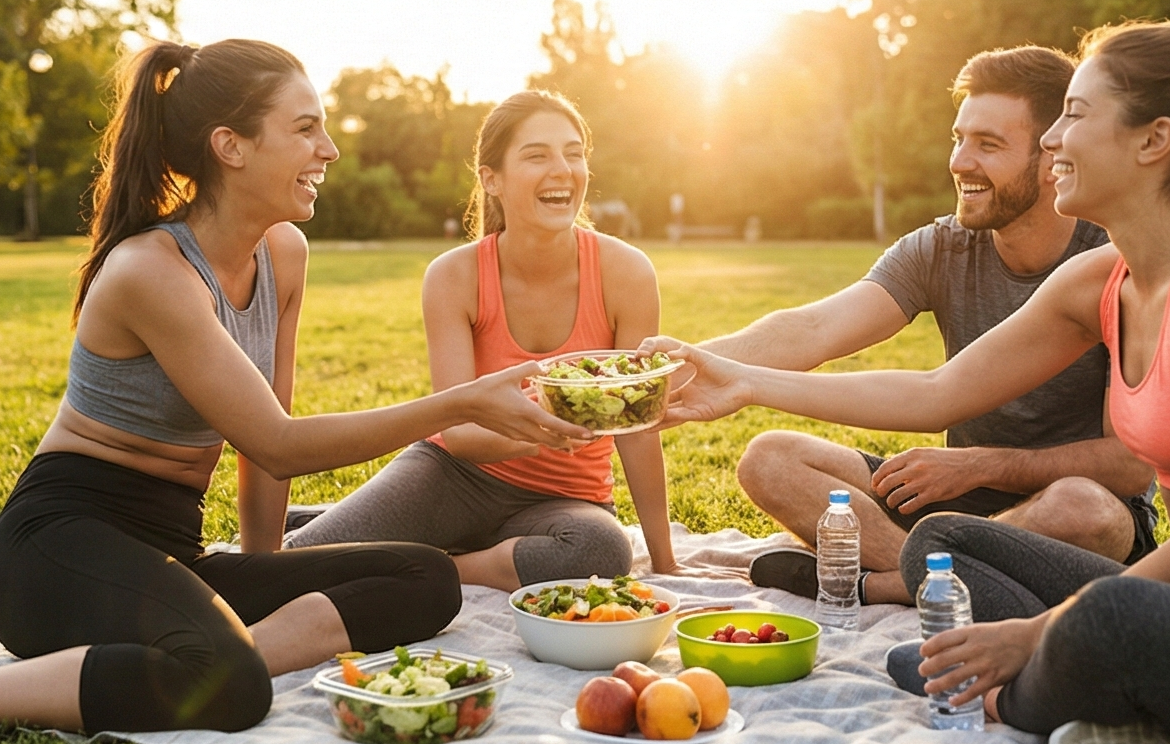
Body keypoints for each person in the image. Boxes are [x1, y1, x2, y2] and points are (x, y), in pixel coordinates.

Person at [0, 40, 591, 735]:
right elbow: (279, 444)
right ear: (231, 146)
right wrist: (462, 402)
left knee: (428, 579)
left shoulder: (282, 252)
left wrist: (263, 568)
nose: (330, 150)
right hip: (59, 551)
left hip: (174, 550)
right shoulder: (152, 272)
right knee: (224, 686)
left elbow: (261, 449)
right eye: (305, 128)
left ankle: (227, 655)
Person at [641, 20, 1170, 735]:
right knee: (939, 539)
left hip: (1100, 532)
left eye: (1072, 117)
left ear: (1153, 139)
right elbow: (933, 391)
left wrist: (1031, 634)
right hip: (1022, 532)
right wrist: (729, 378)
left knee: (1102, 605)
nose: (1052, 144)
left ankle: (1004, 678)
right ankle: (989, 625)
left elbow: (1127, 475)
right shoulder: (1096, 281)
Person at [697, 45, 1155, 606]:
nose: (960, 162)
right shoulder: (943, 247)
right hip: (951, 496)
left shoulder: (1108, 269)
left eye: (988, 145)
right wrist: (680, 368)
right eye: (959, 139)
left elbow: (1129, 466)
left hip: (1062, 503)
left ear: (1049, 155)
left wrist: (983, 464)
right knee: (771, 458)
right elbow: (814, 328)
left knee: (1084, 509)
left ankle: (888, 582)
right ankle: (930, 574)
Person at [284, 90, 704, 590]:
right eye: (537, 155)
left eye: (574, 154)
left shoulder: (626, 273)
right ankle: (344, 526)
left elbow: (638, 425)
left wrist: (665, 560)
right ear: (492, 179)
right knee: (299, 566)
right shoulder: (454, 276)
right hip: (453, 477)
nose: (562, 170)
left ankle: (437, 564)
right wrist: (549, 427)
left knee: (603, 549)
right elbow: (459, 433)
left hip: (566, 502)